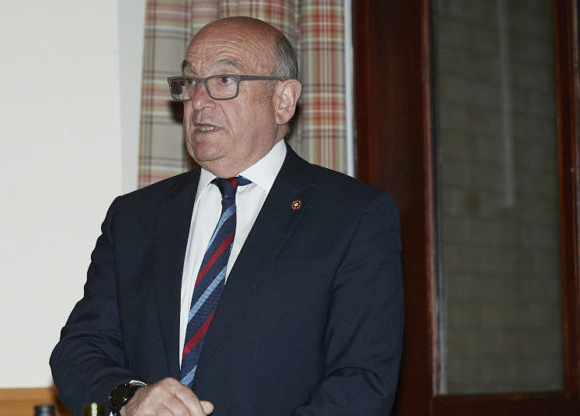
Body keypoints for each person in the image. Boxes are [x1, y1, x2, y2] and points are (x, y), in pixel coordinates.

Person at [50, 16, 404, 416]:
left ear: (283, 100)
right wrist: (129, 398)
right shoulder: (135, 217)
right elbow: (79, 350)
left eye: (223, 81)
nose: (199, 101)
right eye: (190, 83)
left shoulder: (353, 216)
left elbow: (362, 381)